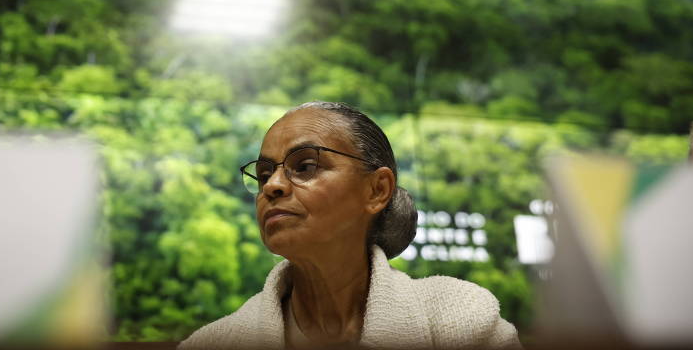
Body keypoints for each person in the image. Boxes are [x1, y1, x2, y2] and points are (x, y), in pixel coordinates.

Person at [179, 101, 521, 349]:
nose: (271, 186)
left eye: (305, 166)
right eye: (264, 174)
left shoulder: (459, 320)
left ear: (377, 190)